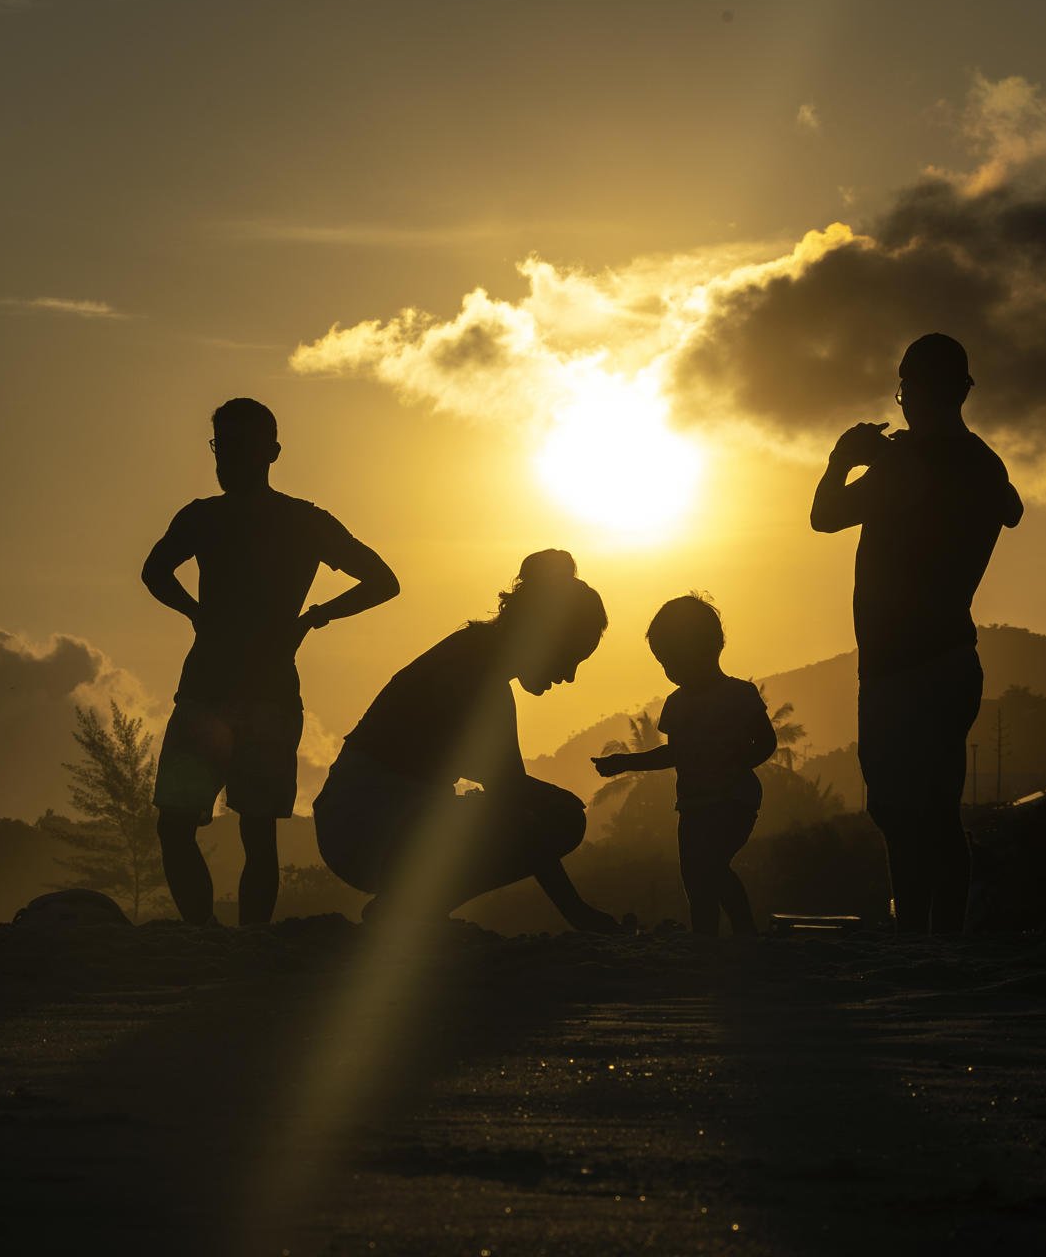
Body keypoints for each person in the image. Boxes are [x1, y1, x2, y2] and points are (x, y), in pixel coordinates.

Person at [142, 398, 399, 925]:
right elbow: (154, 573)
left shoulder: (242, 519)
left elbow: (384, 581)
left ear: (271, 452)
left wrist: (313, 617)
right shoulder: (262, 520)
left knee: (221, 827)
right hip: (240, 693)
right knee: (226, 827)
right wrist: (307, 618)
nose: (227, 458)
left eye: (238, 447)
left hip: (232, 693)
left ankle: (223, 942)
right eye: (221, 446)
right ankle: (219, 940)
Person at [810, 333, 1023, 934]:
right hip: (954, 655)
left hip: (900, 664)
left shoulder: (904, 464)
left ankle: (916, 940)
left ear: (910, 391)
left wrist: (842, 459)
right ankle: (942, 938)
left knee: (898, 810)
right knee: (937, 810)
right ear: (962, 391)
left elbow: (823, 517)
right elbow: (1011, 508)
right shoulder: (982, 462)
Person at [315, 550, 626, 932]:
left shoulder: (477, 657)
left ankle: (407, 907)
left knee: (548, 811)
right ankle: (406, 909)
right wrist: (577, 912)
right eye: (570, 658)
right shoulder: (476, 677)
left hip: (376, 820)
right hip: (367, 826)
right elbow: (514, 803)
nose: (568, 676)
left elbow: (507, 794)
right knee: (561, 819)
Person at [591, 595, 775, 936]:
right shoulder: (676, 705)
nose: (670, 670)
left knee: (711, 866)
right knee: (694, 875)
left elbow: (766, 743)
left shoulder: (739, 694)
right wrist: (625, 762)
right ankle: (706, 937)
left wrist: (733, 762)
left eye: (674, 658)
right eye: (664, 662)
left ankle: (744, 932)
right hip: (693, 805)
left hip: (734, 800)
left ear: (710, 648)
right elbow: (673, 754)